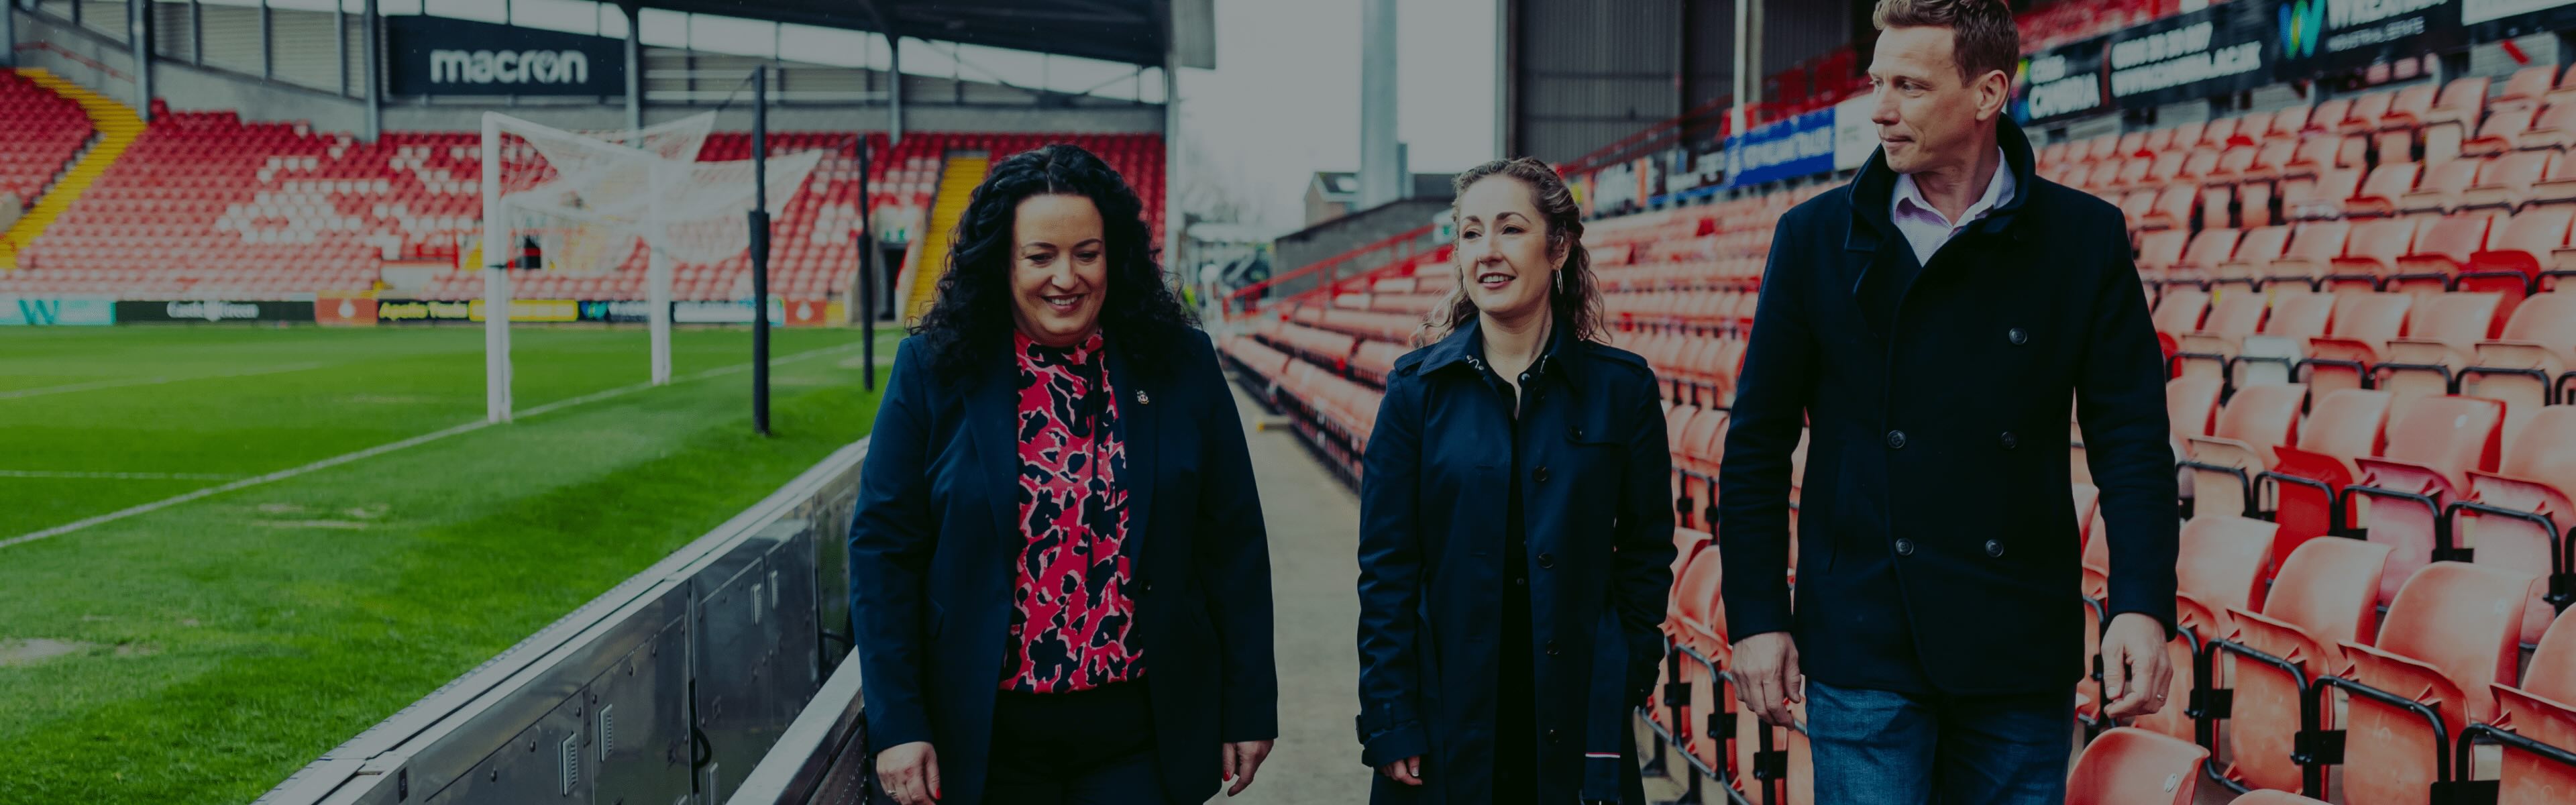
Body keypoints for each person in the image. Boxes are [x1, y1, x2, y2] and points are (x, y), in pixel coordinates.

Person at [1717, 0, 2180, 802]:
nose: (1880, 108)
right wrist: (1758, 616)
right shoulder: (1813, 238)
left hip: (2015, 638)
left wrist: (2142, 604)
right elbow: (1755, 444)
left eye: (1909, 86)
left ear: (1987, 93)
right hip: (1862, 633)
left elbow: (2132, 439)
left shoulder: (2083, 238)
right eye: (1876, 81)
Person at [848, 144, 1278, 805]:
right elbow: (882, 550)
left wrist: (1249, 702)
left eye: (1087, 252)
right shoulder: (933, 369)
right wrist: (898, 720)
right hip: (984, 742)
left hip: (1141, 735)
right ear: (1002, 261)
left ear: (1116, 257)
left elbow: (1234, 543)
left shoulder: (1178, 363)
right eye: (1040, 255)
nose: (1066, 277)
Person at [1356, 157, 1676, 804]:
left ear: (1558, 246)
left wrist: (1627, 668)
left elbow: (1648, 551)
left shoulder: (1623, 389)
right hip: (1445, 711)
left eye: (1509, 229)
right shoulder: (1415, 392)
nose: (1487, 252)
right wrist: (1391, 716)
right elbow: (1387, 569)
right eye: (1470, 233)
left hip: (1577, 708)